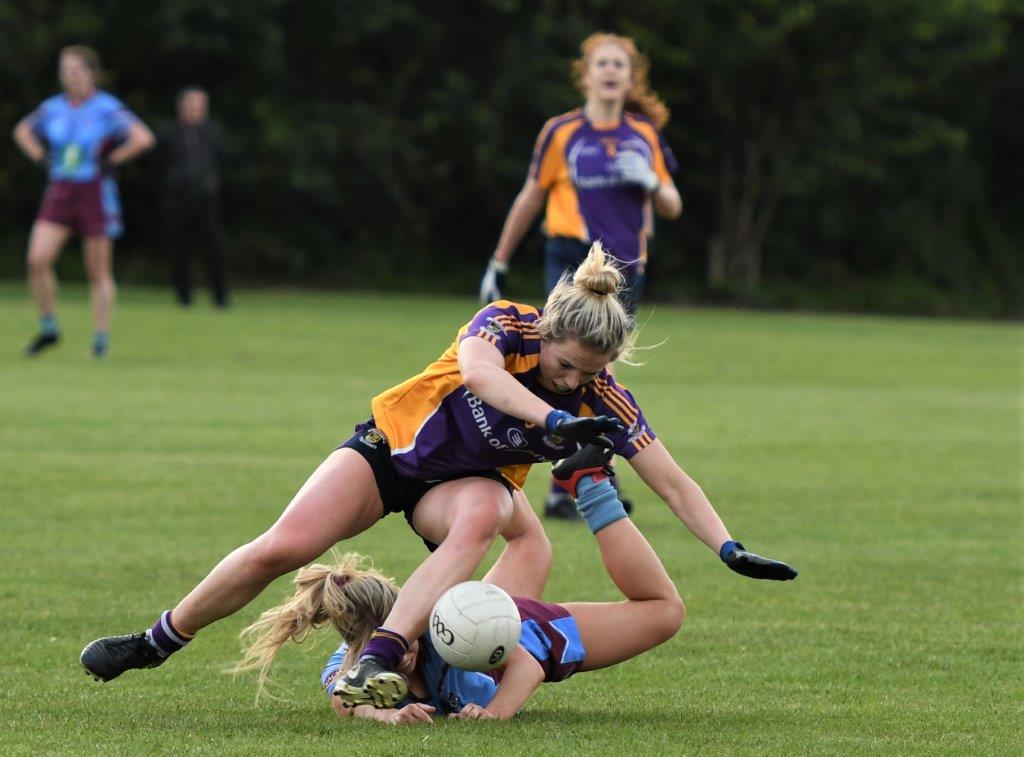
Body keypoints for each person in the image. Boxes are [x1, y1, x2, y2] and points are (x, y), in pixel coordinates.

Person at [80, 243, 793, 709]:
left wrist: (727, 548)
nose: (574, 380)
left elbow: (673, 480)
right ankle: (154, 641)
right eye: (567, 365)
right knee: (281, 548)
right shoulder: (506, 325)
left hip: (456, 492)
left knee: (488, 506)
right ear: (546, 330)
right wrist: (550, 424)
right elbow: (483, 379)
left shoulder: (598, 397)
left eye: (590, 372)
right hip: (390, 453)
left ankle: (382, 656)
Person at [233, 443, 792, 722]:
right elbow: (343, 702)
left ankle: (583, 484)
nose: (398, 662)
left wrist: (496, 713)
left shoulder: (445, 631)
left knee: (664, 611)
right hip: (496, 618)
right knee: (533, 544)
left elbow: (525, 665)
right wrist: (387, 713)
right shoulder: (356, 666)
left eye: (402, 647)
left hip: (533, 638)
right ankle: (525, 467)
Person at [478, 32, 682, 519]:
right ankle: (559, 474)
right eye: (602, 63)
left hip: (626, 267)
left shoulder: (644, 135)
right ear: (586, 73)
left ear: (631, 78)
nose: (611, 71)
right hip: (571, 259)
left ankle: (580, 475)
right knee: (561, 361)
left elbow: (673, 204)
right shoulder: (561, 132)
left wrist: (652, 182)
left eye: (620, 65)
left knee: (600, 373)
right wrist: (499, 260)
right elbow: (531, 194)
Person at [13, 45, 155, 358]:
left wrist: (113, 159)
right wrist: (41, 157)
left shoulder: (107, 108)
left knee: (98, 271)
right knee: (37, 259)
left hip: (95, 192)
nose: (71, 77)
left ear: (92, 74)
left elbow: (143, 137)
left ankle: (100, 339)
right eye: (66, 71)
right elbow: (22, 131)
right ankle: (49, 326)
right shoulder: (53, 108)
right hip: (61, 189)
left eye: (77, 70)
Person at [157, 85, 230, 308]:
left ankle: (220, 298)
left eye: (200, 106)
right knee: (179, 249)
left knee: (215, 248)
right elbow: (158, 165)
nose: (196, 110)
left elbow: (223, 163)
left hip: (206, 200)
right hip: (177, 199)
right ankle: (183, 297)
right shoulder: (168, 133)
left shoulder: (213, 133)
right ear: (181, 107)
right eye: (192, 105)